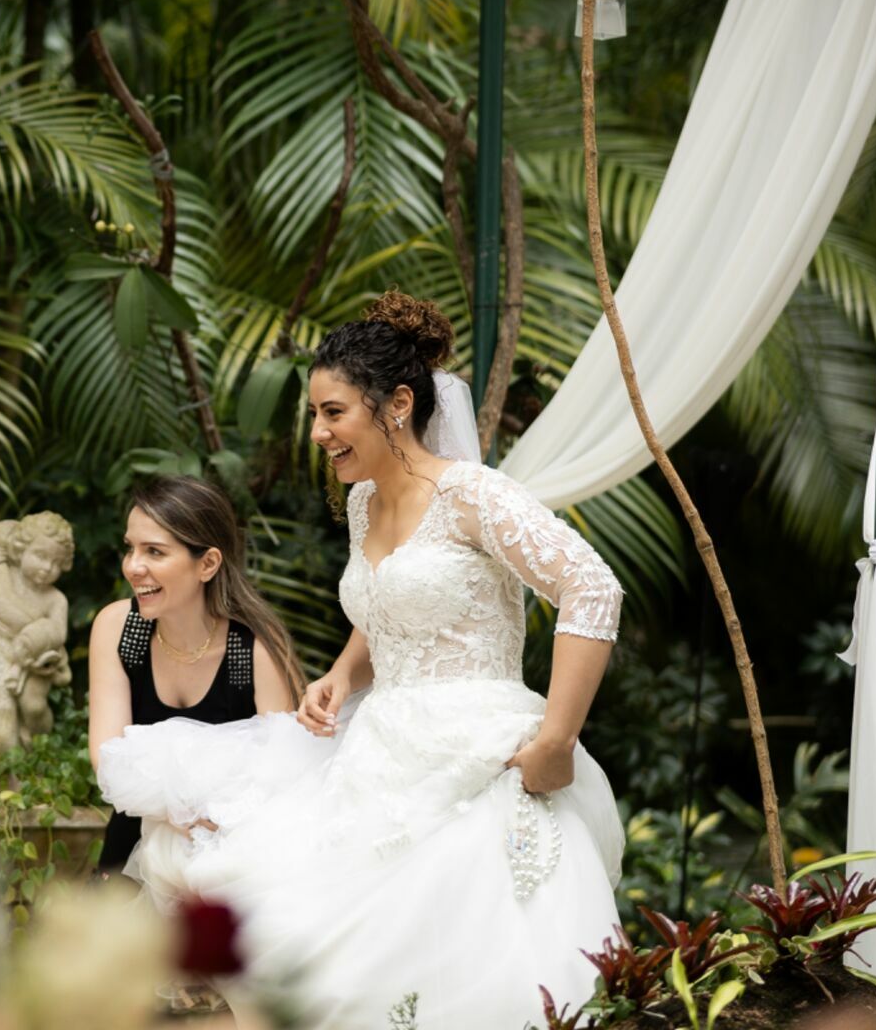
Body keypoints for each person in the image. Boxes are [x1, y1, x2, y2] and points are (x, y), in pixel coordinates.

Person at [97, 291, 626, 1028]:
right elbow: (389, 610)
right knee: (294, 934)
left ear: (398, 404)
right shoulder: (362, 504)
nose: (317, 432)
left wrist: (556, 742)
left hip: (483, 756)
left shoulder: (473, 494)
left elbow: (592, 589)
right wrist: (344, 674)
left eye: (333, 412)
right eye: (314, 414)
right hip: (378, 754)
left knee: (458, 968)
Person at [87, 475, 304, 883]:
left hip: (235, 852)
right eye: (130, 548)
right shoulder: (119, 629)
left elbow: (282, 773)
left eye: (154, 551)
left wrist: (213, 816)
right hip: (136, 841)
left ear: (207, 564)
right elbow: (107, 755)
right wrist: (174, 808)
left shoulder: (253, 648)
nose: (134, 566)